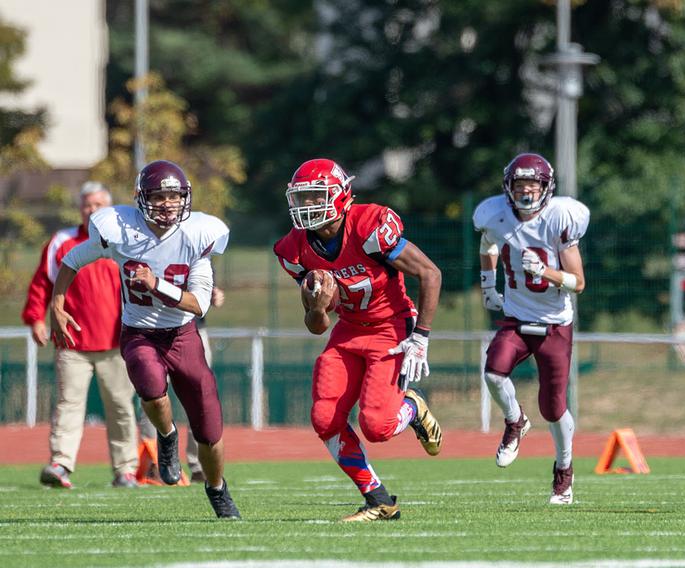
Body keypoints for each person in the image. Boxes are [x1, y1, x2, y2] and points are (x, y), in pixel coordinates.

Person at [49, 160, 239, 519]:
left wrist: (156, 284)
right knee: (150, 384)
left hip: (183, 336)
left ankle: (217, 490)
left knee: (210, 429)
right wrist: (57, 305)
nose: (167, 203)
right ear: (142, 198)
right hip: (139, 332)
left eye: (174, 195)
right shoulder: (119, 229)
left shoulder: (198, 236)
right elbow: (73, 259)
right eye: (159, 195)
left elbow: (197, 304)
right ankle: (166, 437)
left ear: (185, 198)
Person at [273, 158, 443, 522]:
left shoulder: (369, 226)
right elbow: (317, 325)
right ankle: (378, 499)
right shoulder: (295, 250)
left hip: (391, 326)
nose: (308, 207)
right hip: (348, 329)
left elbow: (430, 273)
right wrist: (317, 309)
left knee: (377, 427)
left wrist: (421, 337)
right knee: (324, 418)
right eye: (302, 199)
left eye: (316, 197)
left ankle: (411, 408)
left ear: (339, 195)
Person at [472, 153, 589, 505]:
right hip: (517, 317)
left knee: (553, 408)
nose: (526, 192)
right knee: (494, 373)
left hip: (555, 323)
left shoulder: (561, 218)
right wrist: (488, 283)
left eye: (532, 185)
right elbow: (488, 242)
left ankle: (564, 472)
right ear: (508, 188)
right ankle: (515, 421)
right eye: (520, 185)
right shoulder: (496, 215)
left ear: (546, 187)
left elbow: (579, 282)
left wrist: (545, 272)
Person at [22, 182, 139, 489]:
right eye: (87, 204)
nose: (92, 210)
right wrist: (36, 318)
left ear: (109, 208)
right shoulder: (63, 241)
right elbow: (41, 283)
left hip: (116, 343)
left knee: (121, 406)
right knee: (68, 404)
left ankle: (125, 470)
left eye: (99, 204)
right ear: (80, 208)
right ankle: (60, 464)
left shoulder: (123, 242)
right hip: (71, 341)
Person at [136, 286, 224, 485]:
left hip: (193, 330)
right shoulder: (147, 255)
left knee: (200, 399)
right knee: (153, 396)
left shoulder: (201, 255)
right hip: (153, 329)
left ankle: (200, 465)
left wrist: (213, 295)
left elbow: (204, 288)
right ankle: (154, 461)